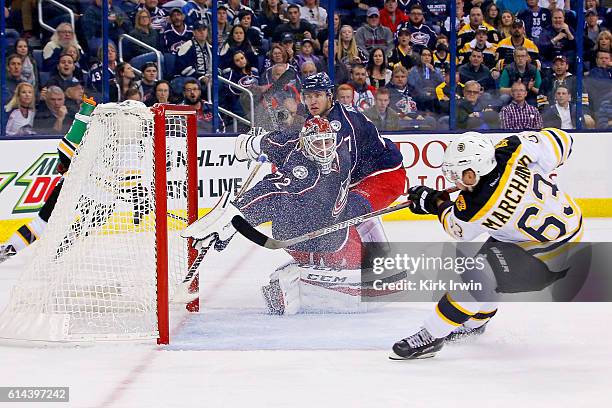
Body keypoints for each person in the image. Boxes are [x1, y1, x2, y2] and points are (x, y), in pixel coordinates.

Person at [182, 72, 405, 314]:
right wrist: (261, 144)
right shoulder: (316, 119)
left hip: (383, 174)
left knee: (350, 209)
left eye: (318, 95)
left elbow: (320, 166)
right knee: (336, 210)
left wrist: (267, 150)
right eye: (308, 96)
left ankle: (379, 265)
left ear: (330, 96)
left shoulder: (342, 125)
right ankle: (330, 262)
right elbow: (297, 142)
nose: (312, 101)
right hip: (355, 175)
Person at [390, 128, 580, 359]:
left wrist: (433, 202)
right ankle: (476, 323)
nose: (456, 181)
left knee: (475, 280)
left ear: (472, 174)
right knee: (486, 266)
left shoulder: (475, 205)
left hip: (548, 257)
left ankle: (431, 336)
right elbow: (562, 140)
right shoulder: (512, 149)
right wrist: (539, 168)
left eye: (459, 174)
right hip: (563, 231)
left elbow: (457, 229)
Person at [0, 96, 97, 263]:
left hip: (74, 184)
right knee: (92, 219)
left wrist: (85, 111)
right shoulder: (108, 145)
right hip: (91, 187)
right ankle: (63, 246)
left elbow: (66, 148)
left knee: (41, 223)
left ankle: (11, 249)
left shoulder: (82, 146)